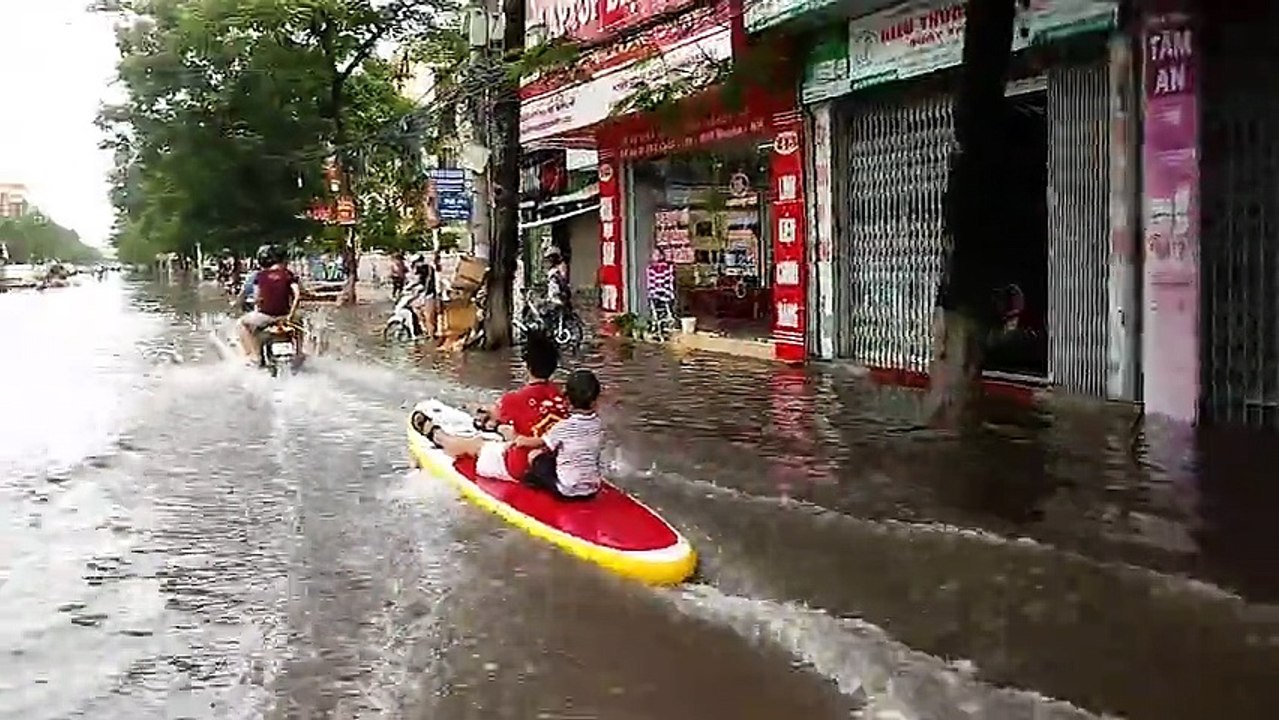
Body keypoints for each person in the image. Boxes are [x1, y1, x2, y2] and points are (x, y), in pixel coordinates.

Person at [418, 330, 569, 482]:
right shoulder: (563, 397)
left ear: (527, 367)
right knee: (506, 433)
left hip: (520, 467)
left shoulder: (514, 399)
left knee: (476, 444)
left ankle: (438, 436)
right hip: (557, 462)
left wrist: (477, 408)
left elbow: (494, 413)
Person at [516, 369, 604, 500]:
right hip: (592, 490)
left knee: (535, 456)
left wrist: (520, 439)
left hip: (566, 491)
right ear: (596, 399)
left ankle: (534, 484)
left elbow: (539, 443)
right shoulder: (598, 424)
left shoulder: (563, 427)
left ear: (567, 399)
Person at [238, 244, 301, 365]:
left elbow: (257, 298)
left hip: (265, 317)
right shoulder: (288, 274)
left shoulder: (260, 275)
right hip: (285, 317)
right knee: (301, 324)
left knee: (243, 324)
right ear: (284, 260)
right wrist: (290, 315)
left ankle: (253, 355)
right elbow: (298, 295)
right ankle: (299, 352)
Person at [409, 253, 438, 338]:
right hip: (426, 294)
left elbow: (418, 280)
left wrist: (409, 286)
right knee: (416, 307)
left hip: (430, 295)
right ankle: (423, 329)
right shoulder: (426, 268)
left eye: (415, 263)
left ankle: (430, 335)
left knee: (429, 318)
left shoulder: (424, 268)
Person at [645, 247, 676, 320]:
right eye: (654, 254)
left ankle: (668, 318)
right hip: (655, 293)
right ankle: (657, 319)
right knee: (653, 300)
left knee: (667, 300)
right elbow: (651, 282)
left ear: (662, 256)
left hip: (665, 292)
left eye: (658, 254)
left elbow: (668, 281)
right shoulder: (651, 268)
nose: (655, 256)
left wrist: (665, 290)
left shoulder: (667, 267)